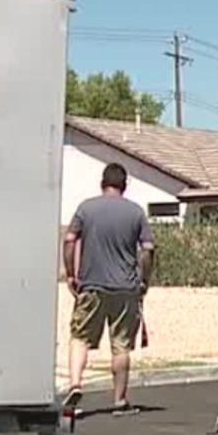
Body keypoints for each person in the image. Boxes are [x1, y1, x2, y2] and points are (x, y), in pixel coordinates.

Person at [61, 163, 155, 416]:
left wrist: (71, 274)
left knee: (80, 336)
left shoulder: (86, 208)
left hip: (91, 285)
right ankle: (119, 401)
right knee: (121, 346)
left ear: (102, 183)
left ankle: (75, 384)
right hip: (125, 288)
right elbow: (147, 250)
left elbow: (69, 241)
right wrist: (144, 281)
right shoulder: (136, 213)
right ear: (125, 185)